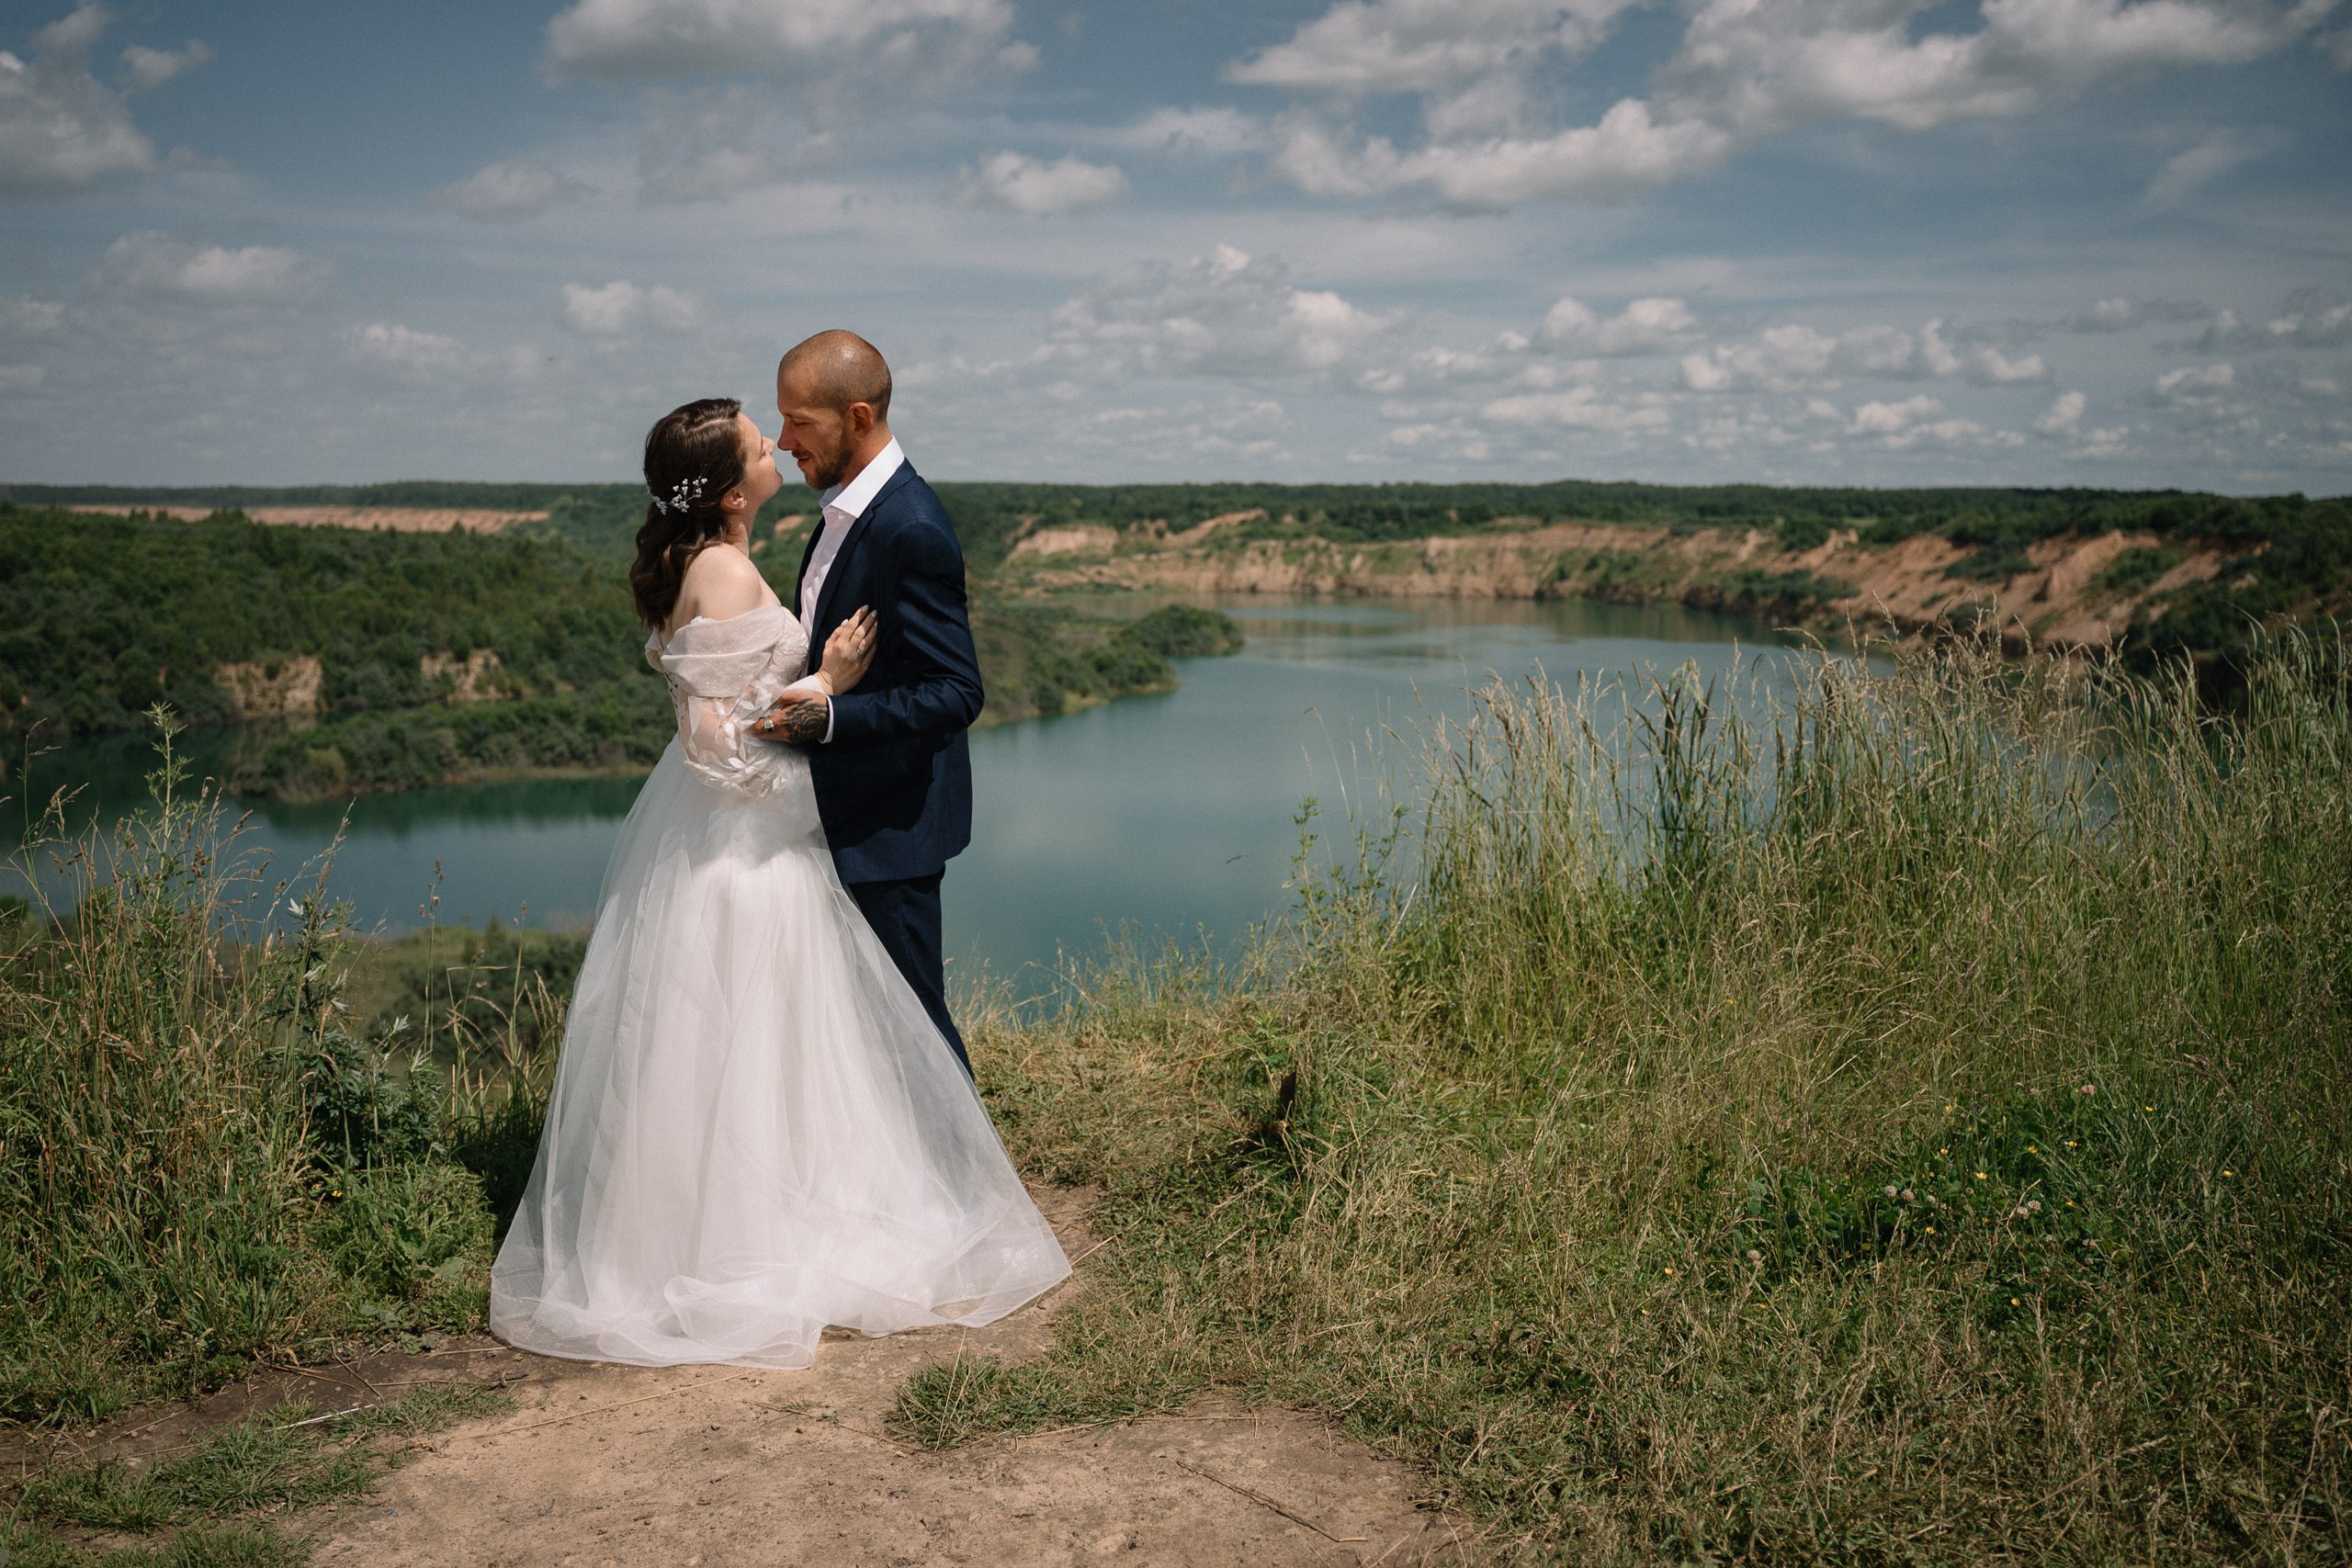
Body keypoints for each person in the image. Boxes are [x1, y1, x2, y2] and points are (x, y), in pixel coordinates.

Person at [489, 397, 1068, 1369]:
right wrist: (826, 687)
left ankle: (734, 1224)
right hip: (747, 856)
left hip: (749, 845)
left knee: (763, 1051)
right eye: (763, 443)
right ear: (726, 489)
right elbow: (716, 749)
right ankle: (755, 1248)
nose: (778, 447)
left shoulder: (710, 557)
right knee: (759, 1045)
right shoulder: (717, 567)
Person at [749, 331, 982, 1073]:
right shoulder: (846, 508)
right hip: (843, 816)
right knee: (863, 1035)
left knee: (915, 1031)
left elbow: (956, 691)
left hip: (893, 829)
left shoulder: (908, 526)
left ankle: (964, 1186)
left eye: (799, 422)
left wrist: (830, 716)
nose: (784, 440)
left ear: (856, 416)